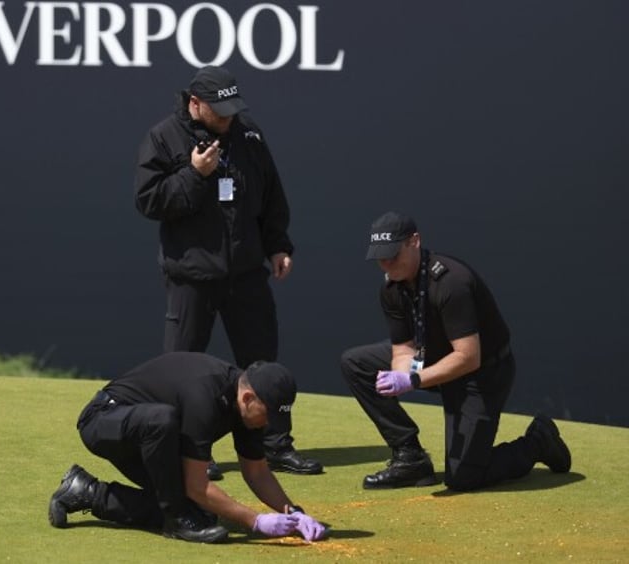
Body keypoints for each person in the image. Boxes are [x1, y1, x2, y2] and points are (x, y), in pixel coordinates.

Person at [133, 65, 321, 478]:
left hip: (246, 272)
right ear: (194, 104)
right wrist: (194, 175)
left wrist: (278, 245)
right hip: (192, 276)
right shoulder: (163, 137)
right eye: (220, 110)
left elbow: (270, 193)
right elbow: (149, 201)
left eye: (233, 109)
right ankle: (191, 449)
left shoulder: (248, 135)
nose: (228, 117)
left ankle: (274, 444)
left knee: (262, 363)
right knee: (183, 365)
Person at [340, 211, 571, 491]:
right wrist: (401, 377)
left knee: (463, 478)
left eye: (392, 254)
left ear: (414, 241)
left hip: (482, 373)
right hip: (432, 357)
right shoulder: (391, 288)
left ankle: (538, 442)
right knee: (357, 363)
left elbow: (468, 357)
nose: (386, 264)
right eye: (380, 257)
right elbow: (403, 349)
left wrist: (413, 380)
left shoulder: (452, 282)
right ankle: (410, 457)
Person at [47, 352, 327, 544]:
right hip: (104, 421)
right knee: (163, 425)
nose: (269, 424)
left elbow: (257, 473)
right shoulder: (205, 396)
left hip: (150, 436)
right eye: (268, 414)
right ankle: (177, 521)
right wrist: (255, 521)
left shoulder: (247, 410)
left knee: (203, 514)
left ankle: (86, 492)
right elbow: (197, 485)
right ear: (248, 397)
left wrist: (294, 513)